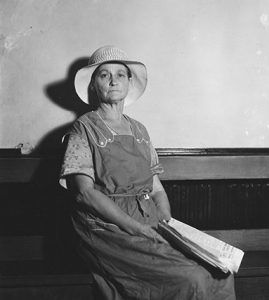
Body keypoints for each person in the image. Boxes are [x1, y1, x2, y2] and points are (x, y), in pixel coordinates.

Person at [59, 45, 236, 299]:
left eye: (120, 74)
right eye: (104, 75)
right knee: (191, 278)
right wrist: (138, 229)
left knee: (221, 271)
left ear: (129, 83)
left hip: (150, 219)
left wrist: (167, 224)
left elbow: (156, 189)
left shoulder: (140, 130)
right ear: (93, 86)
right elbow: (85, 194)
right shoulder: (84, 128)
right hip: (107, 227)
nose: (113, 80)